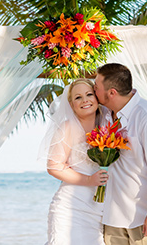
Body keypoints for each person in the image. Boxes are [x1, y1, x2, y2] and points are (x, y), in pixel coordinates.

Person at [94, 63, 147, 245]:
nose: (94, 90)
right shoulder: (104, 114)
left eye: (96, 87)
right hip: (114, 217)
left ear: (112, 92)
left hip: (146, 217)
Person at [38, 78, 109, 245]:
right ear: (71, 105)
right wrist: (89, 180)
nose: (85, 100)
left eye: (89, 94)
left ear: (97, 98)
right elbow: (53, 167)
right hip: (71, 208)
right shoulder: (67, 127)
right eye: (78, 97)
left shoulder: (107, 125)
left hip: (99, 210)